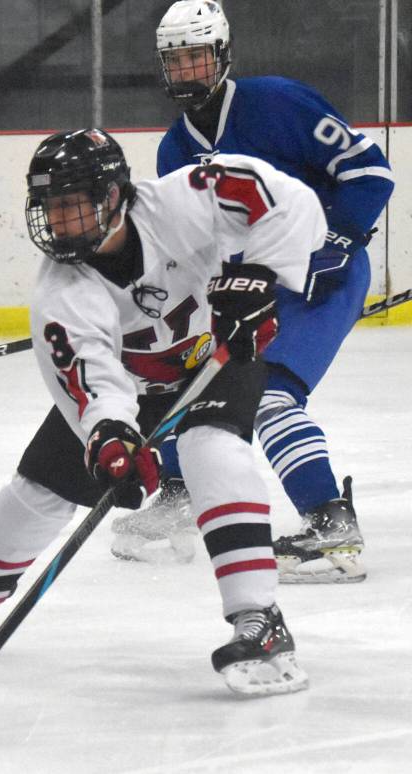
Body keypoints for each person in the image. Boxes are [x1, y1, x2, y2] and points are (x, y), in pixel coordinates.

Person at [0, 128, 326, 696]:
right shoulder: (60, 294)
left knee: (208, 445)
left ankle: (258, 619)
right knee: (38, 491)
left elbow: (291, 203)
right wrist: (111, 439)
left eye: (73, 205)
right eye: (50, 207)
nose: (60, 222)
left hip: (216, 356)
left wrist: (261, 274)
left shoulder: (182, 201)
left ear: (115, 195)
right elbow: (93, 381)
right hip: (134, 386)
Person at [109, 0, 395, 582]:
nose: (186, 71)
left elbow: (369, 173)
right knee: (187, 380)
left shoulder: (277, 101)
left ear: (221, 55)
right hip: (251, 289)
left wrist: (334, 240)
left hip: (322, 280)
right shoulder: (174, 151)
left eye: (196, 57)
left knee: (270, 398)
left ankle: (330, 524)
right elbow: (188, 247)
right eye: (175, 61)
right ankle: (180, 492)